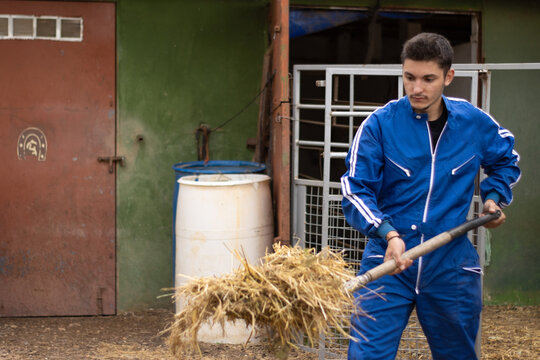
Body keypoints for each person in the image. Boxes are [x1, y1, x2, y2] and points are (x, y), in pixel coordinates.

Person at [340, 32, 521, 360]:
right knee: (367, 355)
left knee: (458, 355)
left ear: (448, 77)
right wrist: (388, 233)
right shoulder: (379, 126)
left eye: (428, 79)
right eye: (409, 77)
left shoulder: (473, 123)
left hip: (450, 264)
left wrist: (493, 197)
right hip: (388, 260)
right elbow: (355, 189)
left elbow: (506, 159)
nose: (416, 89)